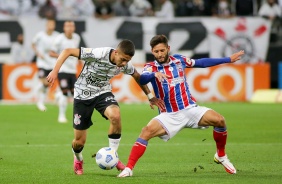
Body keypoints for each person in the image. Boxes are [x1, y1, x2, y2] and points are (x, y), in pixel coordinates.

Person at [117, 35, 245, 177]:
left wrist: (228, 59)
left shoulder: (179, 60)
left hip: (190, 109)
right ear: (152, 52)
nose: (159, 54)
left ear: (168, 49)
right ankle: (128, 169)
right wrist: (154, 75)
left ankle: (221, 155)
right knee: (146, 132)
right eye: (156, 51)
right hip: (169, 115)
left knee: (220, 120)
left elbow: (201, 62)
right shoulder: (150, 67)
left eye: (162, 50)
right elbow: (142, 78)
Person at [46, 39, 164, 175]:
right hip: (82, 95)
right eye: (123, 59)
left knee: (115, 115)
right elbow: (67, 51)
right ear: (116, 52)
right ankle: (78, 158)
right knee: (79, 142)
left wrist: (150, 96)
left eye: (127, 60)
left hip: (102, 92)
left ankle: (113, 155)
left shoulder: (125, 64)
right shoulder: (99, 53)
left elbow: (137, 76)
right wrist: (55, 71)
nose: (124, 64)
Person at [49, 20, 81, 123]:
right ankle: (61, 116)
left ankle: (57, 95)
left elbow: (75, 51)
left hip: (72, 70)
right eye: (68, 26)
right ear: (64, 28)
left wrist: (80, 60)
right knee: (65, 93)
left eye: (72, 26)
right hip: (62, 69)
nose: (70, 28)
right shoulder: (59, 39)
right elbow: (51, 53)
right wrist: (63, 57)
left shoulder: (76, 37)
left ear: (74, 28)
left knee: (74, 94)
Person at [32, 19, 59, 112]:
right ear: (46, 25)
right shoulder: (40, 35)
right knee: (43, 81)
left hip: (52, 63)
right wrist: (37, 53)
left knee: (46, 84)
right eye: (50, 24)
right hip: (42, 62)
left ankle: (40, 101)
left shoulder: (57, 36)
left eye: (53, 24)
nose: (51, 26)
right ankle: (40, 101)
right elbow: (33, 44)